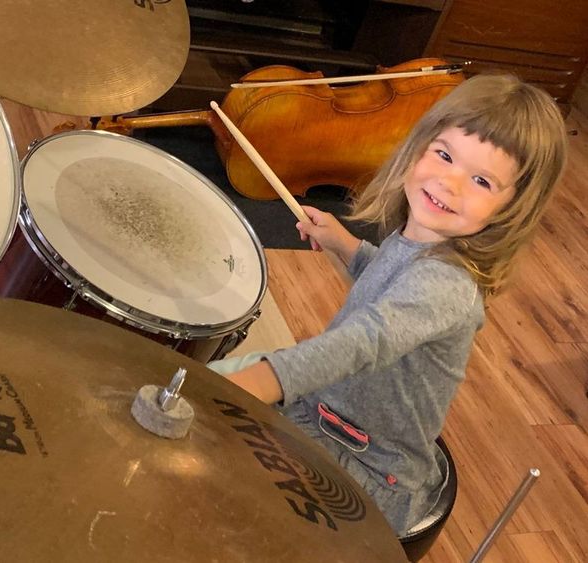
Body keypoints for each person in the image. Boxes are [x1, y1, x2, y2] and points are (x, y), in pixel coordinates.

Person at [207, 74, 568, 535]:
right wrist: (346, 246)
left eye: (481, 180)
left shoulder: (447, 284)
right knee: (204, 386)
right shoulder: (422, 237)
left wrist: (265, 380)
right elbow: (391, 283)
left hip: (368, 464)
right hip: (328, 411)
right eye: (444, 155)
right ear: (419, 146)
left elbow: (365, 341)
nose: (449, 183)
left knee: (224, 476)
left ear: (512, 208)